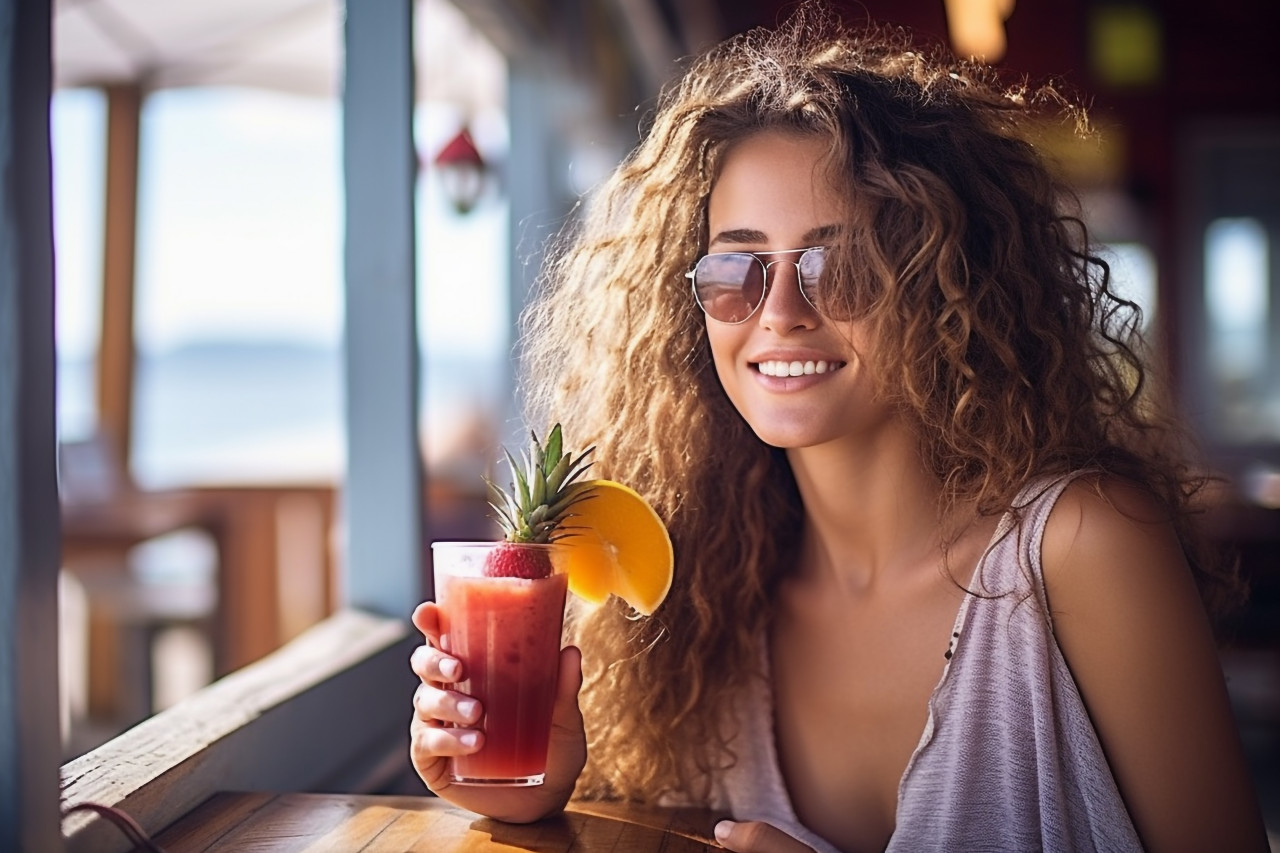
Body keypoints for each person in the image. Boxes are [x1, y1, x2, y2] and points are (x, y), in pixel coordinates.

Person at [409, 5, 1270, 851]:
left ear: (941, 284)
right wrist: (544, 796)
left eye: (842, 262)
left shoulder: (1084, 547)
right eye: (737, 267)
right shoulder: (698, 599)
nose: (779, 312)